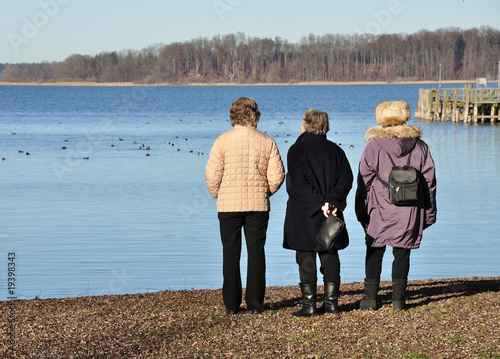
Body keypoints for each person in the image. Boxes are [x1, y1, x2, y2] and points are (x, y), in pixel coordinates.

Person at [205, 97, 285, 315]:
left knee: (231, 253)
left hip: (228, 205)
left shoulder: (222, 141)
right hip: (258, 206)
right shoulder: (267, 141)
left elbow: (212, 174)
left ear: (233, 116)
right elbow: (278, 175)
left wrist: (217, 194)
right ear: (255, 115)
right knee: (256, 252)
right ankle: (255, 303)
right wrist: (264, 191)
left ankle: (231, 304)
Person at [355, 100, 437, 311]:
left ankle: (370, 299)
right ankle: (398, 301)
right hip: (410, 209)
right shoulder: (420, 146)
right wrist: (429, 213)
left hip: (379, 207)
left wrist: (361, 210)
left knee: (374, 249)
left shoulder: (373, 145)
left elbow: (364, 181)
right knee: (402, 252)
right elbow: (429, 183)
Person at [283, 109, 353, 317]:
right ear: (325, 126)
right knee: (330, 253)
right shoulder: (336, 151)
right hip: (330, 212)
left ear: (305, 124)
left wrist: (319, 203)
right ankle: (331, 303)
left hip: (305, 212)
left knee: (306, 255)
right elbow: (346, 179)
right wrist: (331, 202)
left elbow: (297, 185)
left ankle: (309, 305)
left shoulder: (296, 150)